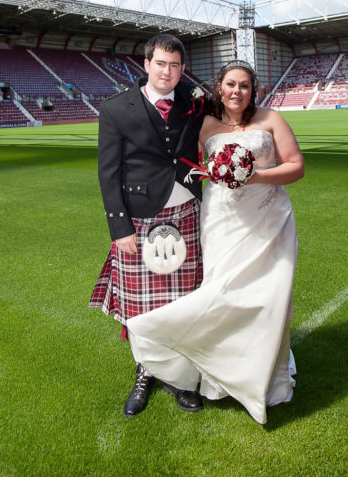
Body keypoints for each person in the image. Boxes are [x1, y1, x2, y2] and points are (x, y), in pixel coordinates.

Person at [126, 59, 304, 424]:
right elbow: (181, 162)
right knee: (222, 294)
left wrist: (255, 175)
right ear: (218, 88)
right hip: (221, 222)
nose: (237, 91)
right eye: (230, 84)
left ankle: (267, 377)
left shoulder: (271, 120)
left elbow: (296, 166)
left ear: (253, 90)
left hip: (270, 220)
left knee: (270, 299)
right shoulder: (203, 125)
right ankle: (214, 373)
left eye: (244, 85)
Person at [91, 34, 207, 417]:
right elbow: (108, 173)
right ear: (146, 64)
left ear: (182, 69)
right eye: (161, 63)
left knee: (183, 303)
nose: (167, 71)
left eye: (175, 65)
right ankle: (145, 371)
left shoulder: (196, 99)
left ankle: (179, 377)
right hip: (139, 220)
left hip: (188, 212)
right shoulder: (115, 108)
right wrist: (119, 228)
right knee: (142, 308)